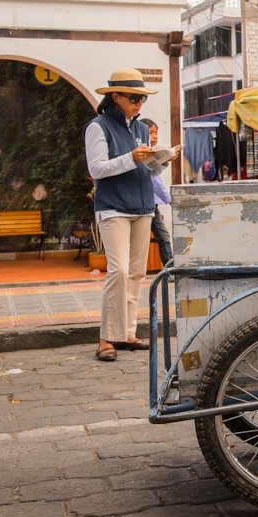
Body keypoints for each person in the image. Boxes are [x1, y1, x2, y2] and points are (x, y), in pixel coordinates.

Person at [84, 68, 170, 362]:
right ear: (115, 96)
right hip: (113, 207)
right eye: (134, 97)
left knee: (136, 273)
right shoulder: (98, 126)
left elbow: (145, 169)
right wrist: (130, 158)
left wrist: (162, 161)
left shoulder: (141, 128)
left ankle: (127, 332)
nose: (139, 103)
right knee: (118, 271)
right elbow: (96, 169)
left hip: (143, 205)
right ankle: (106, 337)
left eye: (143, 97)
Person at [139, 118, 178, 267]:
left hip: (150, 203)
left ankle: (169, 268)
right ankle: (169, 268)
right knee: (162, 236)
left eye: (156, 133)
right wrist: (169, 199)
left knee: (162, 236)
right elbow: (156, 182)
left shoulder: (153, 152)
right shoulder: (145, 153)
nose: (154, 136)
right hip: (145, 203)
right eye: (151, 133)